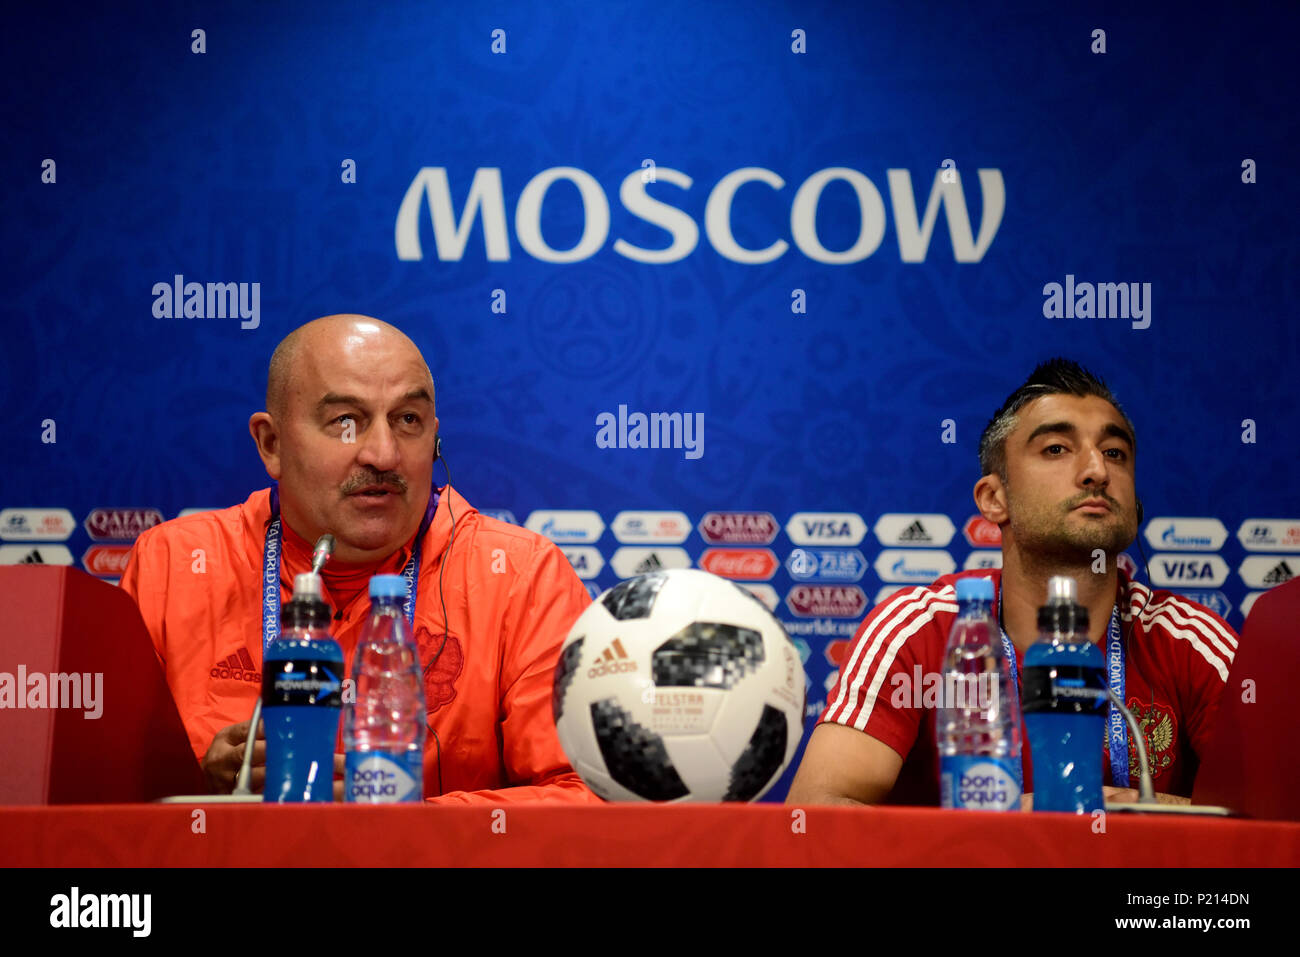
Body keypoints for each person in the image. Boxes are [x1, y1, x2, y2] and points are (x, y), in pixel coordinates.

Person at [122, 314, 599, 804]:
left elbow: (586, 796)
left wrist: (406, 829)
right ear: (272, 443)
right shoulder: (174, 564)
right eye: (346, 422)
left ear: (434, 439)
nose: (383, 454)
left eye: (407, 420)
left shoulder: (520, 576)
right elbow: (95, 798)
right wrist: (195, 785)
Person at [787, 359, 1238, 807]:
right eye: (1057, 449)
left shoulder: (1188, 637)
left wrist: (1150, 815)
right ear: (994, 497)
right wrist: (1009, 827)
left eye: (1114, 453)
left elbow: (1276, 821)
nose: (1097, 471)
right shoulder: (922, 630)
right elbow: (814, 817)